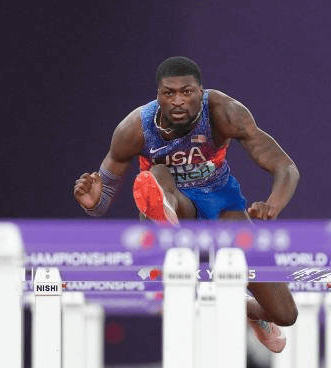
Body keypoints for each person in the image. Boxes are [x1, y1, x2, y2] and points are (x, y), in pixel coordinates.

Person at [72, 56, 299, 352]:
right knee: (157, 174)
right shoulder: (134, 129)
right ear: (158, 95)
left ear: (200, 92)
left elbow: (286, 167)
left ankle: (247, 309)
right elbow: (101, 202)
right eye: (169, 93)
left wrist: (272, 206)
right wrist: (92, 202)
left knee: (285, 314)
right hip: (176, 205)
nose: (178, 101)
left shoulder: (224, 111)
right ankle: (165, 227)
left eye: (187, 92)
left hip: (222, 204)